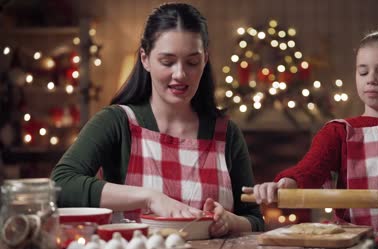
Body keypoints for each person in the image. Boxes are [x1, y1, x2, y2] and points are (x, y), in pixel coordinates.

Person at [52, 3, 263, 237]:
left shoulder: (227, 134)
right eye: (167, 61)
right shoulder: (116, 123)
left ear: (205, 60)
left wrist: (230, 221)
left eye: (192, 62)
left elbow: (254, 219)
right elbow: (61, 185)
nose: (180, 74)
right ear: (145, 58)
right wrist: (149, 197)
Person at [246, 26, 378, 231]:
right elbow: (308, 172)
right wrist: (282, 185)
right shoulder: (339, 132)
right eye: (363, 72)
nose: (371, 80)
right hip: (351, 247)